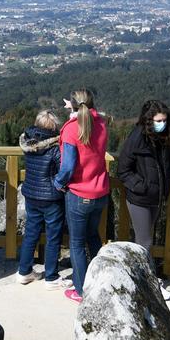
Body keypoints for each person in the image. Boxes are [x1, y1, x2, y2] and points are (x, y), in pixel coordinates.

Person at [115, 99, 170, 302]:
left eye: (165, 120)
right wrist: (142, 187)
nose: (163, 123)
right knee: (145, 242)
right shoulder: (137, 139)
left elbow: (169, 165)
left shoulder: (165, 138)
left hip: (156, 198)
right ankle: (148, 285)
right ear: (149, 120)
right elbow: (123, 170)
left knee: (145, 241)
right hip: (140, 199)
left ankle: (139, 280)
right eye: (159, 120)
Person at [53, 89, 110, 303]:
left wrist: (58, 183)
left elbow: (67, 167)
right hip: (100, 191)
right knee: (93, 236)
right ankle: (100, 282)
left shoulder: (71, 130)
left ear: (73, 106)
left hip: (79, 193)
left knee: (76, 243)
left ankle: (81, 289)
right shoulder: (102, 125)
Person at [16, 110, 69, 289]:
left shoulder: (28, 143)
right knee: (53, 237)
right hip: (51, 197)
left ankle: (24, 272)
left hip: (31, 193)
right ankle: (51, 277)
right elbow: (63, 170)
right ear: (54, 127)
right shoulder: (54, 148)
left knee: (31, 233)